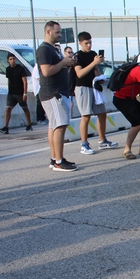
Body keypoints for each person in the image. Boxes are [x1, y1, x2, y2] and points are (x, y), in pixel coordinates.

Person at [37, 21, 78, 172]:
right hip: (53, 93)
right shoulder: (44, 50)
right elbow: (46, 71)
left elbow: (57, 67)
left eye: (60, 32)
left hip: (59, 92)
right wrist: (63, 63)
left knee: (54, 126)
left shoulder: (52, 49)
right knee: (60, 126)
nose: (60, 35)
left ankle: (56, 158)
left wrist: (67, 64)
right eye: (57, 32)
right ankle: (59, 161)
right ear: (48, 32)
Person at [74, 31, 118, 155]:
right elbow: (79, 73)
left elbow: (95, 70)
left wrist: (101, 77)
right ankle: (84, 143)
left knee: (102, 113)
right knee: (86, 116)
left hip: (94, 87)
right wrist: (93, 63)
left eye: (90, 42)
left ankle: (102, 140)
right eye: (86, 43)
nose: (89, 45)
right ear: (80, 43)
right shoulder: (78, 56)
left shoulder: (93, 54)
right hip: (83, 87)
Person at [0, 53, 33, 134]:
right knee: (8, 109)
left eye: (14, 59)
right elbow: (9, 80)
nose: (12, 61)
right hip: (11, 93)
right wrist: (9, 90)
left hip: (20, 93)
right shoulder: (8, 69)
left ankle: (29, 125)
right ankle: (6, 127)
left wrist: (25, 93)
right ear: (8, 61)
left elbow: (24, 81)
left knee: (25, 109)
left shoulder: (20, 69)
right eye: (11, 59)